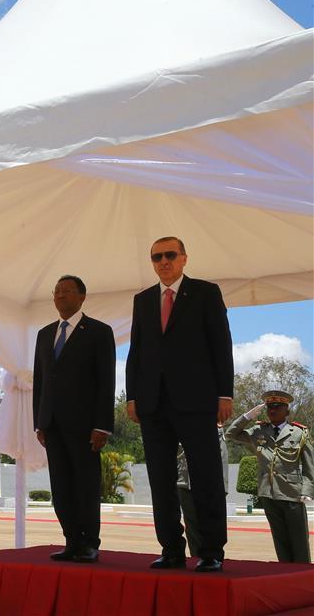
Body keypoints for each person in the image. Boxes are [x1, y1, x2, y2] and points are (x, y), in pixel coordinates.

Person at [125, 236, 234, 572]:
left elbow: (220, 344)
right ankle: (171, 548)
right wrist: (132, 395)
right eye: (156, 257)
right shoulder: (143, 300)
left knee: (206, 476)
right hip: (154, 404)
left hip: (197, 401)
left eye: (170, 255)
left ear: (184, 258)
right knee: (160, 479)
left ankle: (211, 550)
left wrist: (224, 394)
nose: (163, 261)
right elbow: (137, 351)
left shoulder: (205, 292)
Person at [33, 275, 115, 563]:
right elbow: (40, 382)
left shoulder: (98, 332)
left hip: (85, 425)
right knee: (62, 486)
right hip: (52, 423)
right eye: (57, 292)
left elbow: (106, 382)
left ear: (82, 297)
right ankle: (71, 541)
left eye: (68, 291)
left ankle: (89, 543)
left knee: (86, 485)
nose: (61, 296)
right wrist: (38, 422)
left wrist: (102, 424)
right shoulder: (44, 334)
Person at [225, 390, 313, 563]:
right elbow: (230, 434)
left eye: (277, 407)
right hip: (268, 494)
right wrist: (246, 416)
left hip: (292, 494)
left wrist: (307, 489)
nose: (272, 410)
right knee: (280, 540)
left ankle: (302, 577)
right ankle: (283, 576)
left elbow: (310, 466)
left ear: (286, 410)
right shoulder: (259, 431)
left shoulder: (299, 433)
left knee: (299, 541)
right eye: (269, 407)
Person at [176, 425, 229, 558]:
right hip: (185, 483)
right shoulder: (179, 430)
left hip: (208, 485)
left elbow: (222, 459)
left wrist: (223, 486)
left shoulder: (215, 431)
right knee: (192, 527)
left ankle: (211, 558)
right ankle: (196, 558)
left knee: (210, 525)